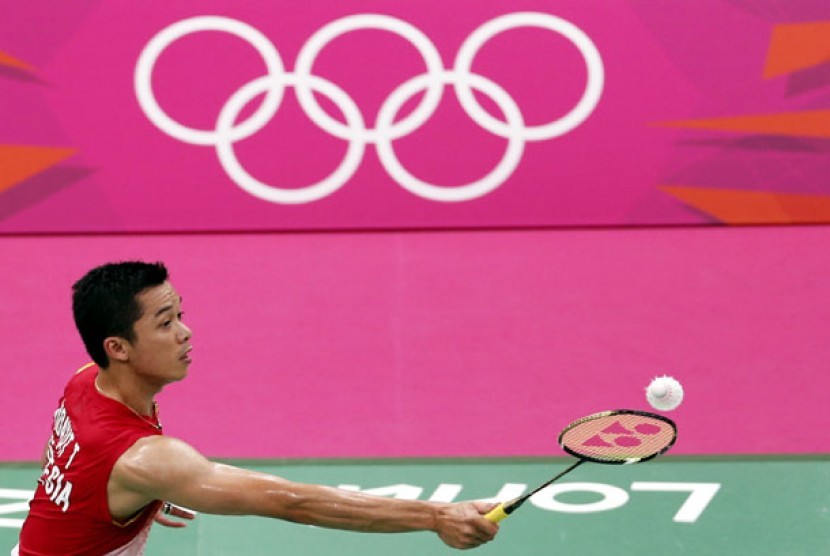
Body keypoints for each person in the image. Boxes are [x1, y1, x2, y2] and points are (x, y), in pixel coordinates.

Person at [15, 261, 499, 555]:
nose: (185, 332)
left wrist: (127, 495)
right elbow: (290, 501)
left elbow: (59, 458)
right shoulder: (145, 459)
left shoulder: (85, 383)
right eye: (165, 323)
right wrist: (436, 517)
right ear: (117, 348)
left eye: (181, 314)